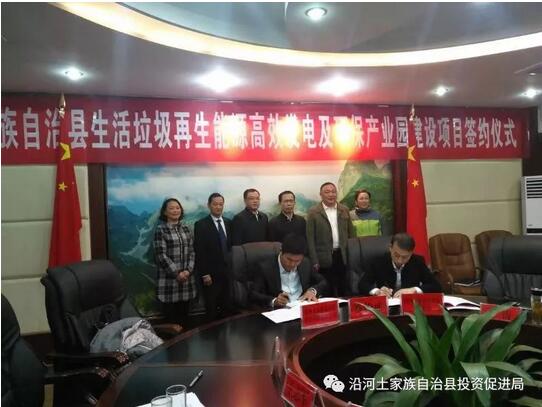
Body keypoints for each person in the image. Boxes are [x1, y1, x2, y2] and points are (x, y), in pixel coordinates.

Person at [250, 234, 327, 308]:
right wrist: (274, 301)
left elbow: (322, 281)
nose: (292, 264)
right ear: (281, 251)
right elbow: (253, 294)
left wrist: (312, 291)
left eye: (297, 261)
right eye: (289, 259)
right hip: (279, 310)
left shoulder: (305, 263)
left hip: (301, 306)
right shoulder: (265, 267)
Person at [153, 198, 197, 326]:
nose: (175, 210)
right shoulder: (161, 230)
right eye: (171, 208)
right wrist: (177, 273)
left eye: (177, 208)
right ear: (165, 212)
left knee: (185, 319)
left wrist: (188, 271)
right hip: (169, 281)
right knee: (171, 321)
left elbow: (192, 251)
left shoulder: (186, 228)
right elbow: (161, 255)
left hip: (186, 280)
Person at [306, 182, 355, 297]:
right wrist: (314, 260)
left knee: (344, 286)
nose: (331, 194)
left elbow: (351, 233)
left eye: (333, 191)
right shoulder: (313, 212)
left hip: (342, 255)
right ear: (321, 194)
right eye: (327, 192)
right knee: (327, 288)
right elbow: (310, 238)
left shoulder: (344, 209)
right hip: (323, 256)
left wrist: (353, 255)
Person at [358, 233, 442, 297]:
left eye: (405, 257)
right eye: (396, 255)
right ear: (390, 248)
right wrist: (377, 291)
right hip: (386, 307)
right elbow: (362, 284)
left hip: (409, 306)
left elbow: (436, 286)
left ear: (411, 253)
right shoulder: (378, 261)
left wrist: (414, 290)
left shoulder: (417, 261)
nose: (400, 260)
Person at [194, 193, 233, 321]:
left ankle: (226, 331)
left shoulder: (228, 222)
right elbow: (199, 251)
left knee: (226, 306)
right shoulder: (201, 225)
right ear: (209, 205)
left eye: (221, 204)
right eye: (215, 204)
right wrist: (205, 274)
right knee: (211, 308)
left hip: (227, 273)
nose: (218, 207)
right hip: (210, 275)